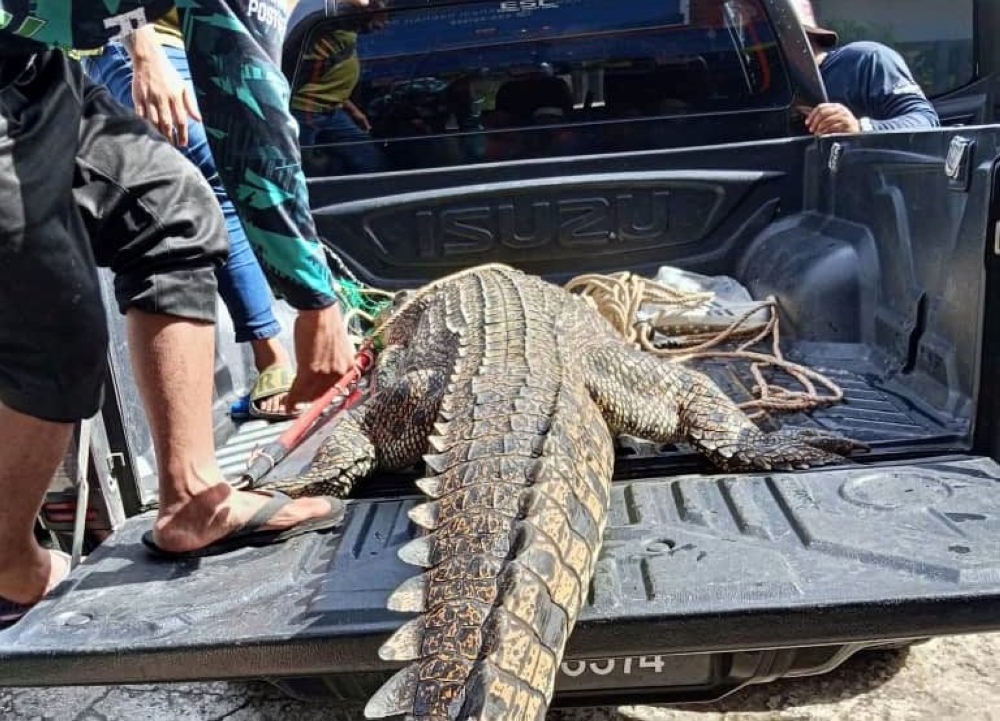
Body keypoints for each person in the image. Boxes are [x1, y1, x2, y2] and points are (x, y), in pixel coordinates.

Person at [0, 3, 351, 627]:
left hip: (27, 64)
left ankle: (193, 498)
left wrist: (141, 42)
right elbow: (245, 98)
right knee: (53, 331)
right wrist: (314, 299)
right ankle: (5, 564)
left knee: (172, 213)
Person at [81, 15, 298, 421]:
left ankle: (295, 336)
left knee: (248, 172)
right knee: (206, 167)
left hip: (204, 45)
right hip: (135, 43)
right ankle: (270, 355)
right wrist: (145, 56)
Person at [791, 0, 940, 136]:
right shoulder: (775, 90)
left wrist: (859, 128)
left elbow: (926, 121)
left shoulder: (866, 61)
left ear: (800, 37)